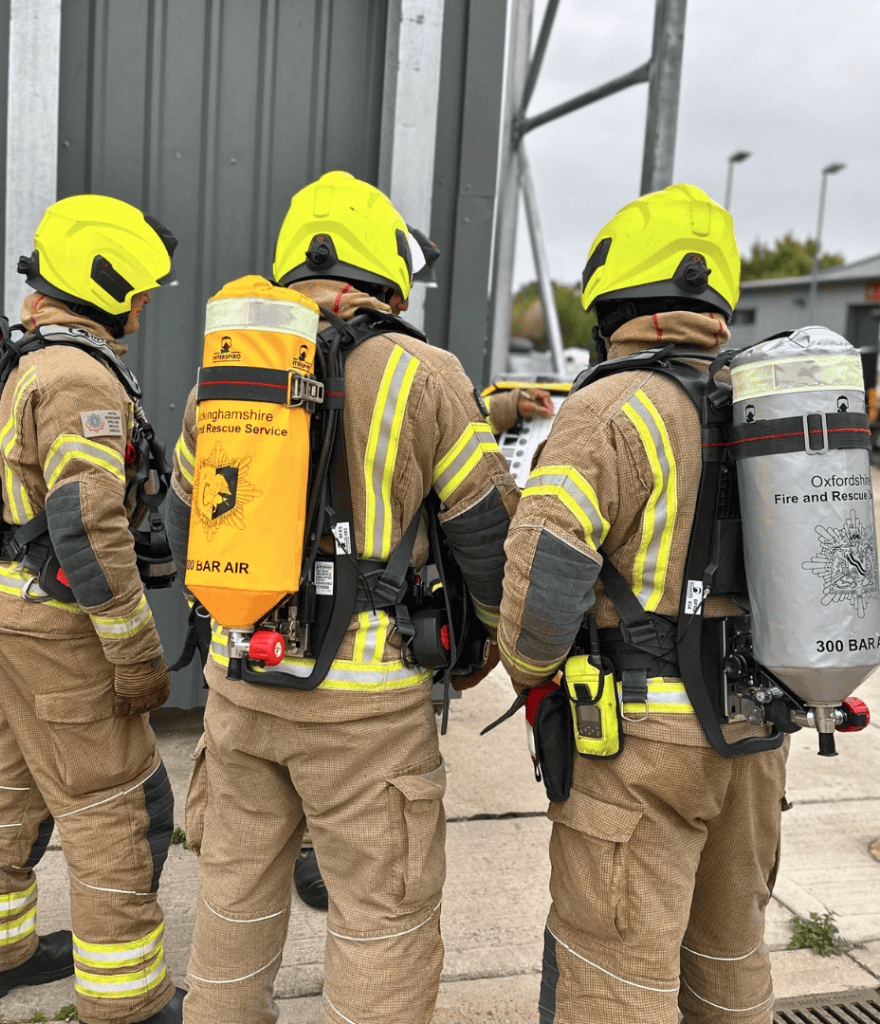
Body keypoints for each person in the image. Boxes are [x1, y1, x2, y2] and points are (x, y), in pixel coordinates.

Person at [165, 170, 518, 1024]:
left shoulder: (222, 375)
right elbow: (486, 538)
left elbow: (185, 525)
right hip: (367, 713)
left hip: (241, 687)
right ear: (384, 273)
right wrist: (482, 652)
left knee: (234, 900)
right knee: (381, 921)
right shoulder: (424, 374)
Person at [498, 184, 788, 1024]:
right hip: (756, 728)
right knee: (730, 957)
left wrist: (526, 667)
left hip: (643, 741)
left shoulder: (610, 406)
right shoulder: (761, 403)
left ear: (612, 298)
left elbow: (547, 562)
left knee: (611, 974)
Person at [0, 194, 184, 1024]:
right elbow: (87, 526)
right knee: (119, 802)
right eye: (141, 290)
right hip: (55, 623)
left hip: (0, 608)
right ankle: (127, 1000)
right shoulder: (81, 378)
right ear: (105, 283)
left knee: (11, 780)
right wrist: (135, 654)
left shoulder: (26, 359)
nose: (146, 305)